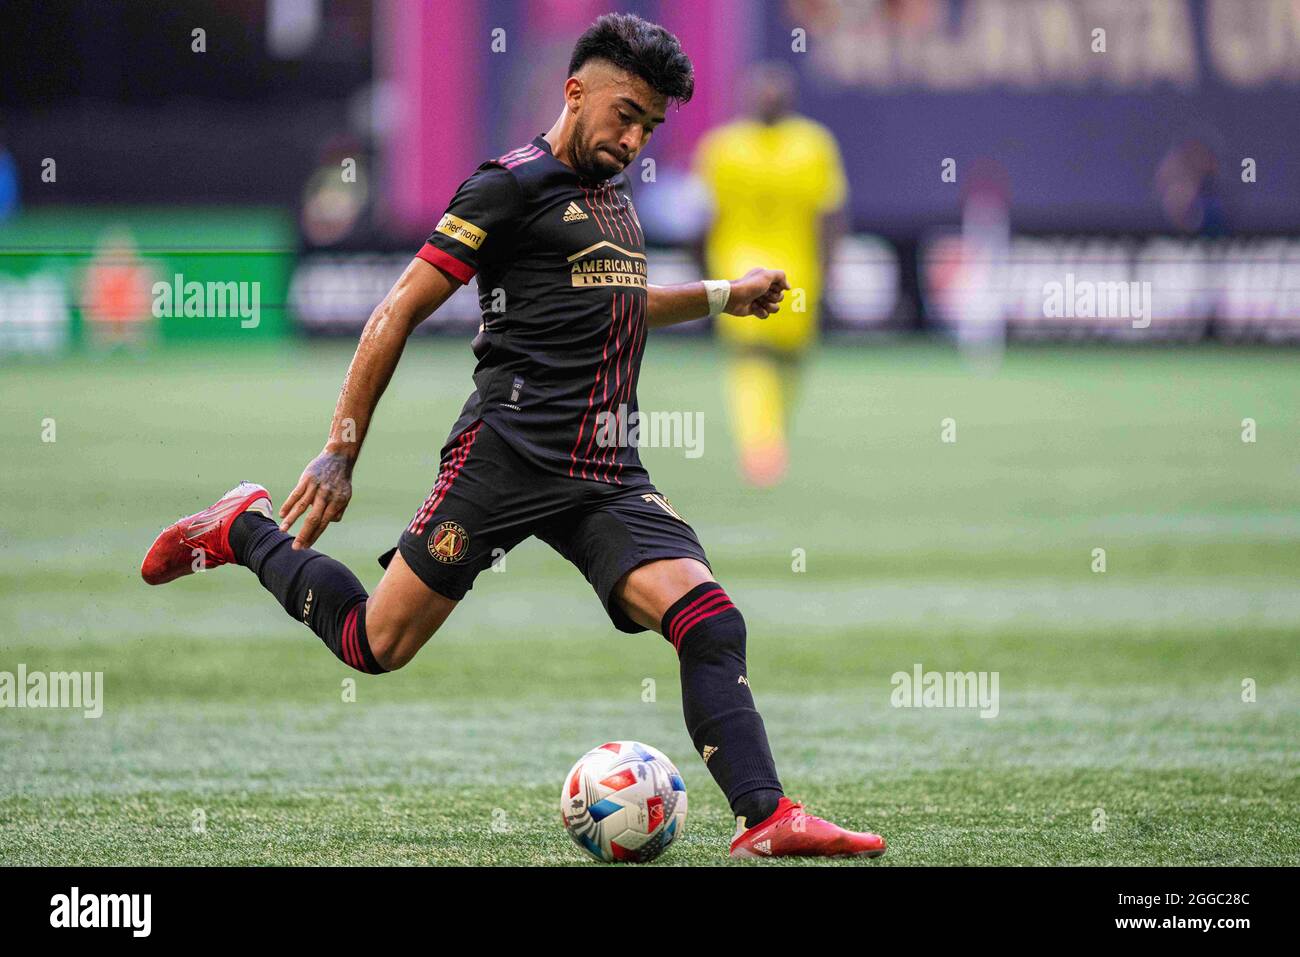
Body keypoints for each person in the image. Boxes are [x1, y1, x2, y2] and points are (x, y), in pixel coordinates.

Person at [142, 13, 884, 860]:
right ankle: (244, 526)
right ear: (575, 92)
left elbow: (618, 303)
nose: (635, 137)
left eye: (651, 125)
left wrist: (722, 294)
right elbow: (398, 311)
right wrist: (340, 450)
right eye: (626, 113)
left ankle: (766, 816)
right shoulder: (507, 187)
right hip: (507, 454)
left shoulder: (613, 193)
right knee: (374, 645)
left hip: (605, 465)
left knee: (710, 621)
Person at [693, 62, 849, 486]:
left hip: (745, 269)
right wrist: (829, 268)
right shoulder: (812, 144)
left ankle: (766, 436)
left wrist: (701, 272)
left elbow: (703, 218)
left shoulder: (722, 146)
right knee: (765, 357)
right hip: (786, 271)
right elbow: (831, 217)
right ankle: (763, 443)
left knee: (769, 358)